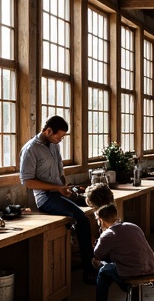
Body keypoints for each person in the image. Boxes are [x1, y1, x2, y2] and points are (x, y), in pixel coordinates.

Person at [19, 115, 96, 284]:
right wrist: (57, 188)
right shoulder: (30, 149)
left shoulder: (54, 146)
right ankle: (89, 270)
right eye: (58, 136)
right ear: (48, 131)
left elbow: (60, 173)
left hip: (58, 193)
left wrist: (64, 188)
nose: (60, 140)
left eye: (62, 137)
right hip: (44, 198)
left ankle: (96, 259)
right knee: (81, 219)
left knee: (94, 204)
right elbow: (28, 182)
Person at [80, 203, 154, 301]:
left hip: (132, 272)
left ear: (100, 220)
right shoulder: (133, 226)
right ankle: (129, 293)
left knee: (102, 272)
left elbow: (97, 256)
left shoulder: (107, 235)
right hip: (152, 268)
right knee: (113, 265)